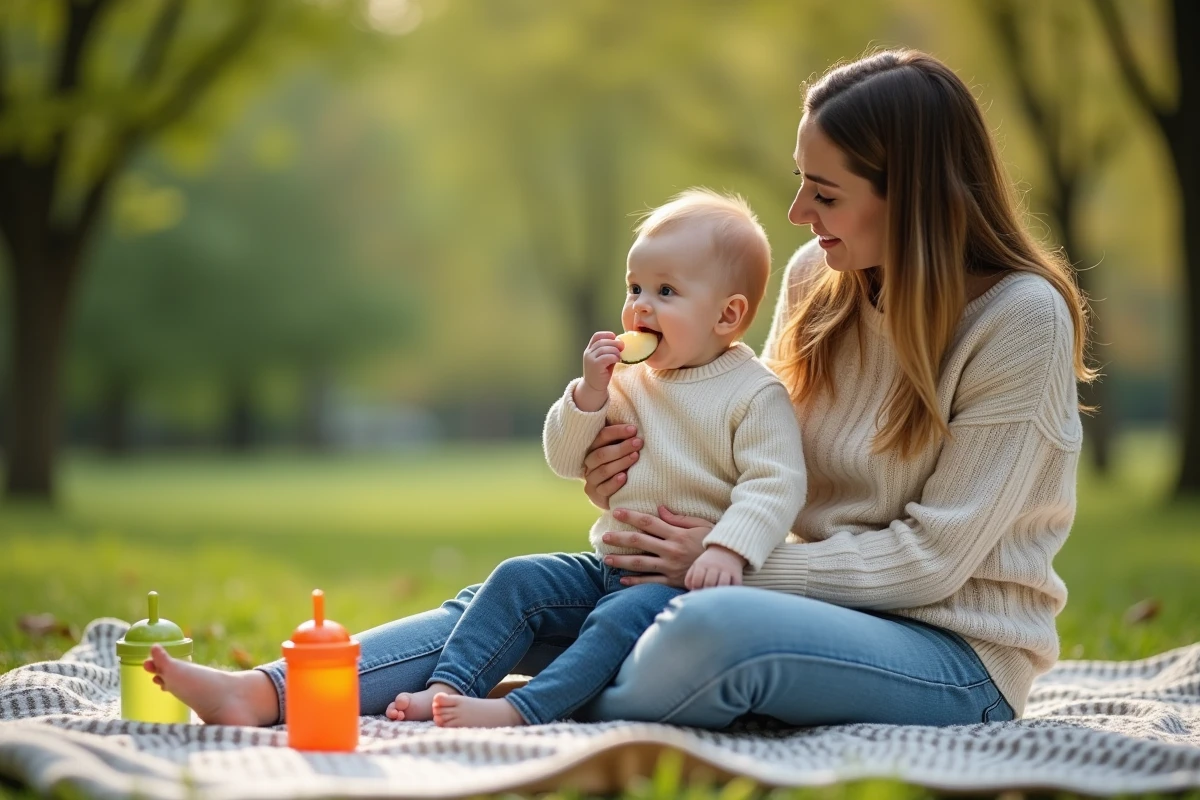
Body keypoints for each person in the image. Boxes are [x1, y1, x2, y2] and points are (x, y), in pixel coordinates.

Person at [145, 48, 1090, 729]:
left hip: (949, 654)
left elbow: (932, 563)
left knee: (706, 625)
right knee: (526, 593)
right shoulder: (817, 277)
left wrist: (711, 558)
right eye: (799, 184)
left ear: (913, 193)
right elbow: (748, 436)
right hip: (790, 596)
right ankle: (267, 693)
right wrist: (635, 466)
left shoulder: (1019, 322)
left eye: (826, 193)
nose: (800, 214)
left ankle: (533, 710)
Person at [390, 189, 806, 727]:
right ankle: (448, 686)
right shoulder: (627, 380)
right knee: (517, 578)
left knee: (616, 621)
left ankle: (524, 709)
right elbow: (565, 459)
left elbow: (775, 485)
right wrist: (587, 394)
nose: (640, 305)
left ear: (727, 315)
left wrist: (727, 550)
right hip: (605, 567)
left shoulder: (753, 394)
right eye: (634, 287)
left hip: (676, 584)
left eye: (666, 290)